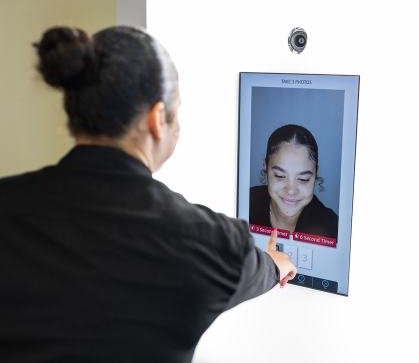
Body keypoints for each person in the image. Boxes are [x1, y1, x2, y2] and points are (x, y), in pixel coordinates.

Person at [0, 26, 296, 363]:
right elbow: (257, 269)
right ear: (157, 120)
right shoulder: (209, 242)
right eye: (177, 111)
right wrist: (276, 264)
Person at [249, 124, 338, 239]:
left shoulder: (332, 229)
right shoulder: (244, 203)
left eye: (303, 179)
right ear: (265, 168)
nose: (290, 190)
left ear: (316, 175)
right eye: (280, 176)